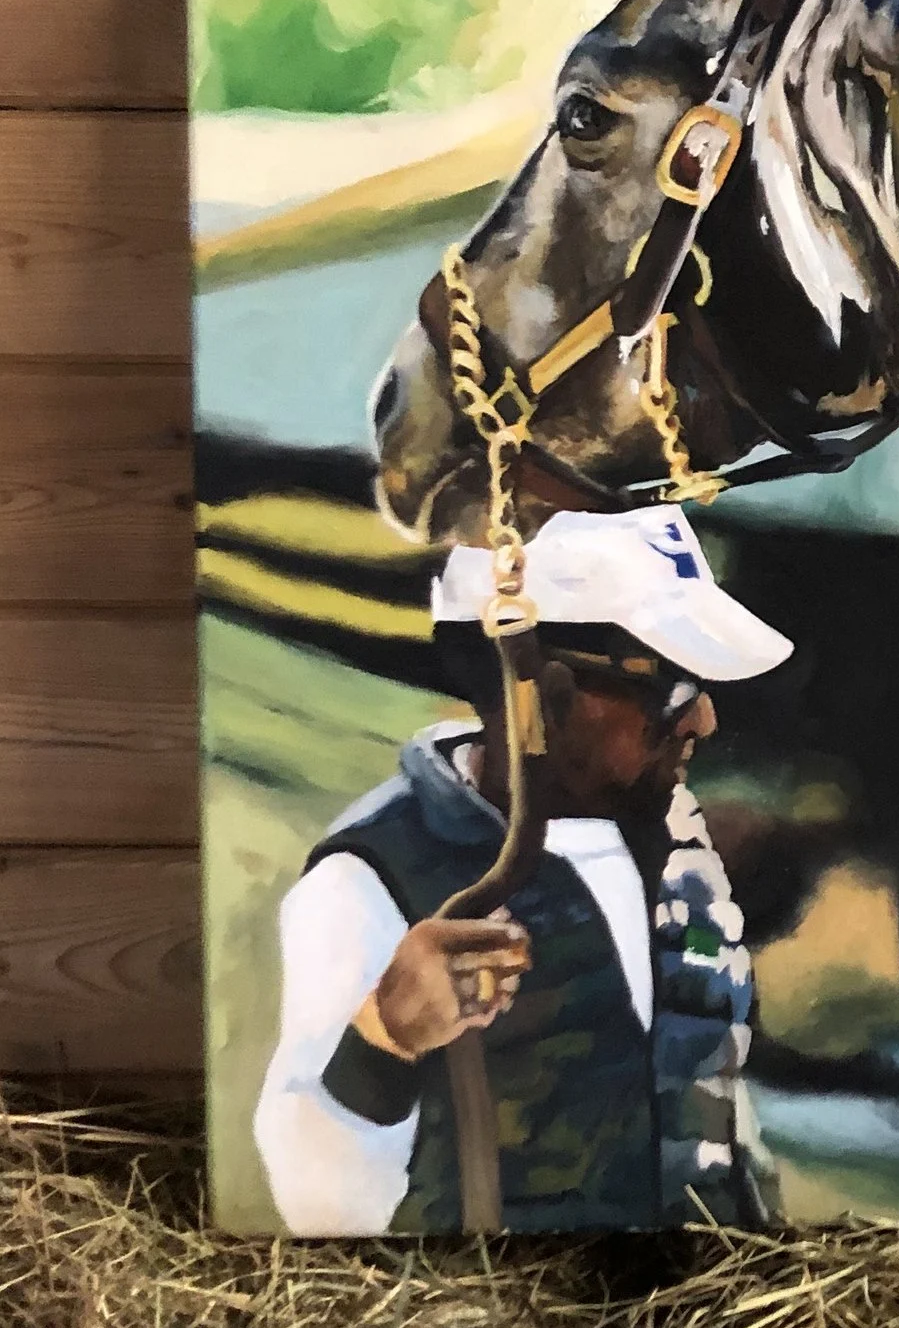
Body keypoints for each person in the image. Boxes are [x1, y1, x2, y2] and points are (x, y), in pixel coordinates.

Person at [254, 507, 792, 1236]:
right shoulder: (375, 877)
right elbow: (313, 1195)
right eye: (673, 684)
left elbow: (715, 1108)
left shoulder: (675, 844)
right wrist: (384, 1036)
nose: (702, 720)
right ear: (546, 693)